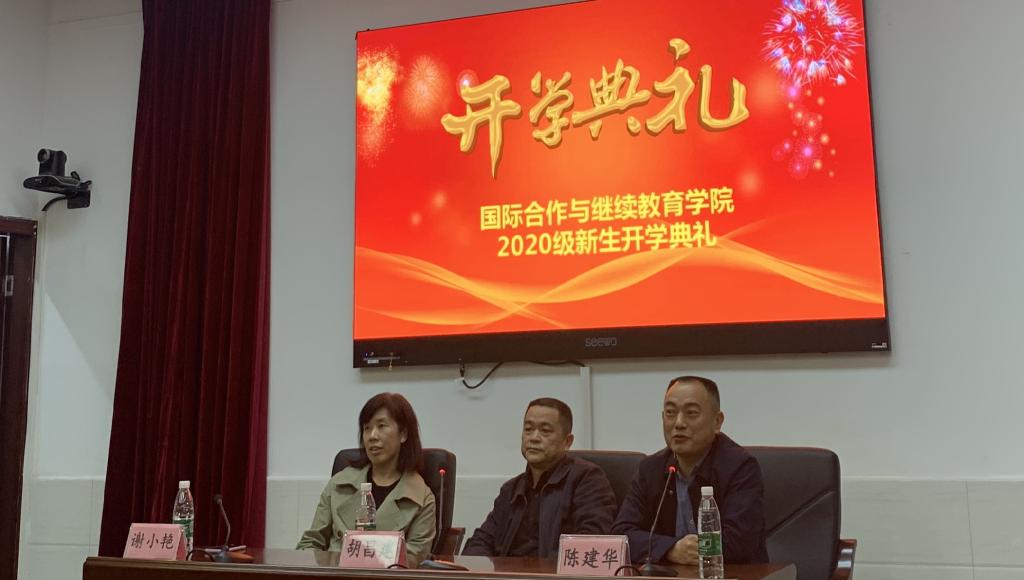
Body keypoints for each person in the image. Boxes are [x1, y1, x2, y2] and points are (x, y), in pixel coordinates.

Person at [612, 376, 768, 565]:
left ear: (717, 422)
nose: (678, 423)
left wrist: (692, 550)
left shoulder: (740, 467)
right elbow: (621, 535)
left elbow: (739, 541)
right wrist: (671, 549)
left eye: (691, 413)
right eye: (670, 413)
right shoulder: (650, 469)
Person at [462, 397, 617, 557]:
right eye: (528, 429)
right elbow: (481, 541)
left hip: (556, 571)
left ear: (567, 441)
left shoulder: (587, 480)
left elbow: (591, 543)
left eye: (545, 431)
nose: (534, 438)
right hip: (509, 571)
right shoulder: (511, 489)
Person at [297, 393, 436, 566]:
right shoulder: (338, 484)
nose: (372, 436)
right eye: (367, 428)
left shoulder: (422, 498)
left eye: (381, 426)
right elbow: (310, 543)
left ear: (403, 434)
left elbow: (414, 560)